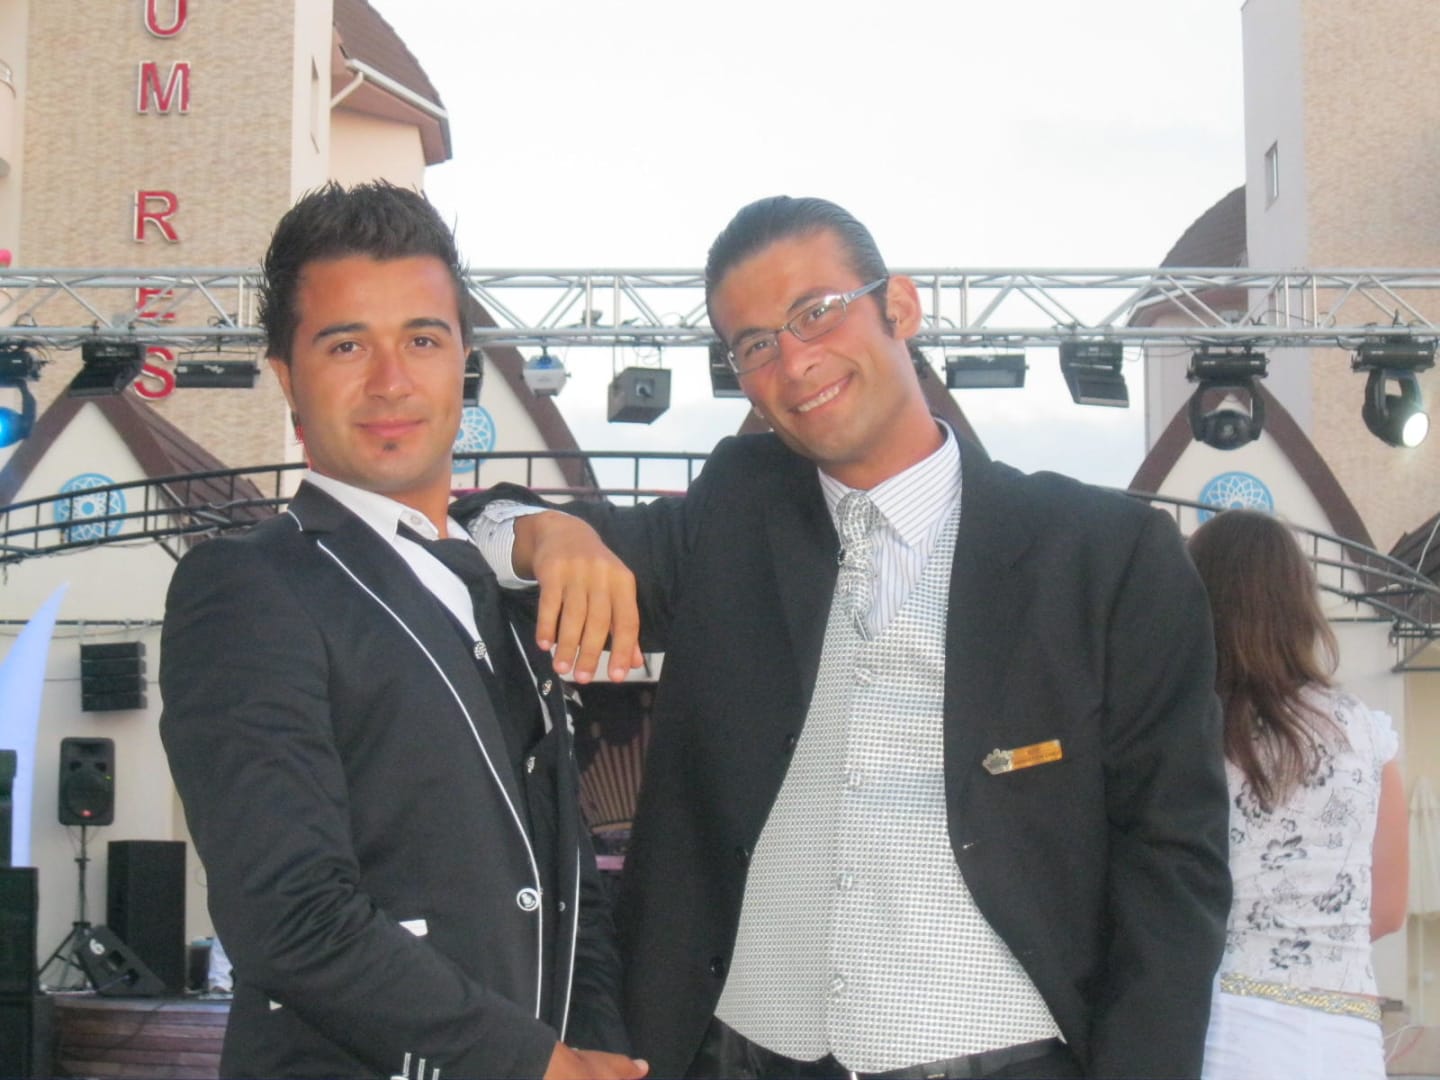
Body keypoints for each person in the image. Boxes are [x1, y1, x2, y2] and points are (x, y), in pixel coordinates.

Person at [460, 195, 1233, 1078]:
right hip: (734, 1055)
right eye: (755, 345)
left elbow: (1173, 862)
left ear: (898, 305)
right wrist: (545, 534)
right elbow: (476, 536)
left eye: (816, 312)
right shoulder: (734, 514)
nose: (795, 362)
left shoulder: (1103, 553)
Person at [159, 181, 645, 1080]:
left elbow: (564, 885)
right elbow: (291, 916)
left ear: (463, 362)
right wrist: (533, 1065)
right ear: (287, 378)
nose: (391, 381)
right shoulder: (247, 587)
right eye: (347, 345)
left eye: (422, 340)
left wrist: (602, 1053)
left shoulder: (505, 587)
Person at [1187, 509, 1408, 1080]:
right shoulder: (1367, 733)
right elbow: (1387, 910)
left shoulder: (1191, 732)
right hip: (1348, 1034)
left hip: (1227, 1026)